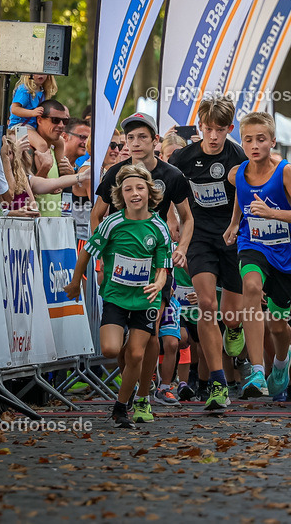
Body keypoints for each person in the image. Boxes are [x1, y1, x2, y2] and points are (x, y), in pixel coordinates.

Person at [91, 112, 194, 410]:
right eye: (130, 138)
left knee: (152, 335)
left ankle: (143, 397)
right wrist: (104, 257)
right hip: (120, 266)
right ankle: (133, 385)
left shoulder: (172, 175)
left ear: (155, 141)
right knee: (123, 346)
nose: (135, 143)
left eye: (142, 137)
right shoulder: (116, 174)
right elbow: (97, 215)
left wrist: (182, 248)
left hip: (157, 262)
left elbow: (187, 219)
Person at [64, 163, 172, 428]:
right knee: (112, 349)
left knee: (136, 355)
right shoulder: (112, 222)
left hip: (146, 299)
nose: (134, 193)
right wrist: (76, 281)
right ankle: (127, 353)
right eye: (128, 189)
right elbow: (87, 251)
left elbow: (163, 268)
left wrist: (158, 285)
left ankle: (121, 408)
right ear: (120, 195)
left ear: (149, 191)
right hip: (115, 295)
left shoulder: (159, 228)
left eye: (139, 188)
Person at [223, 111, 291, 401]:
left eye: (260, 139)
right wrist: (235, 223)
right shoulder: (237, 173)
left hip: (285, 255)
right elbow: (242, 196)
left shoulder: (285, 171)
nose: (254, 145)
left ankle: (280, 363)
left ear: (272, 142)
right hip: (253, 244)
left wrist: (273, 213)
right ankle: (256, 370)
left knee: (278, 324)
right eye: (248, 140)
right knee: (250, 286)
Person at [168, 96, 247, 410]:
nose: (213, 136)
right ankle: (217, 383)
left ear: (229, 128)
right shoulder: (183, 157)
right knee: (206, 304)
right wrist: (174, 222)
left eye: (220, 130)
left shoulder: (237, 155)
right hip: (199, 236)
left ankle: (236, 327)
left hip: (231, 235)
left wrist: (235, 223)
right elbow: (168, 188)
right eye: (207, 129)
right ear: (200, 127)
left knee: (229, 314)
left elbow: (245, 192)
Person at [30, 99, 75, 217]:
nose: (61, 125)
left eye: (65, 121)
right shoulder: (28, 151)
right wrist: (44, 168)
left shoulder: (56, 150)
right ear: (39, 120)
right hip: (35, 227)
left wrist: (69, 175)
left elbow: (58, 188)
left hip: (55, 226)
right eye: (55, 120)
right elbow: (21, 194)